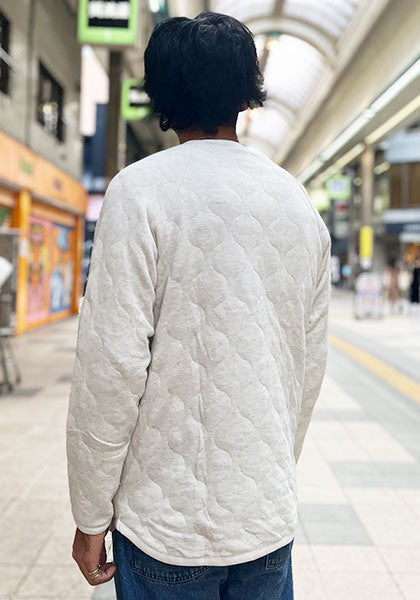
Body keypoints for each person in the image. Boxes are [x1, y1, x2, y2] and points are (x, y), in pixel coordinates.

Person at [67, 12, 331, 600]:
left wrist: (90, 513)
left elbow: (110, 369)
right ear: (246, 91)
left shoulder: (139, 192)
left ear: (162, 93)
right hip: (265, 519)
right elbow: (307, 368)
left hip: (166, 527)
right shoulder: (297, 203)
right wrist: (268, 476)